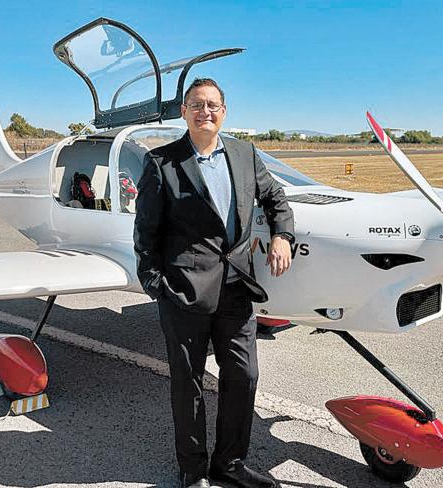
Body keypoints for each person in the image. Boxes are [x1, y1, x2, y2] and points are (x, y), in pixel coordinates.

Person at [134, 78, 294, 488]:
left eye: (213, 105)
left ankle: (231, 464)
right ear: (184, 112)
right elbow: (146, 232)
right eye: (197, 105)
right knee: (188, 383)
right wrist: (157, 287)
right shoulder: (160, 163)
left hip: (236, 286)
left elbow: (276, 198)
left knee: (243, 375)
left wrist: (281, 235)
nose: (205, 112)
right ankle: (192, 470)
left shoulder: (245, 154)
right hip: (184, 291)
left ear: (224, 111)